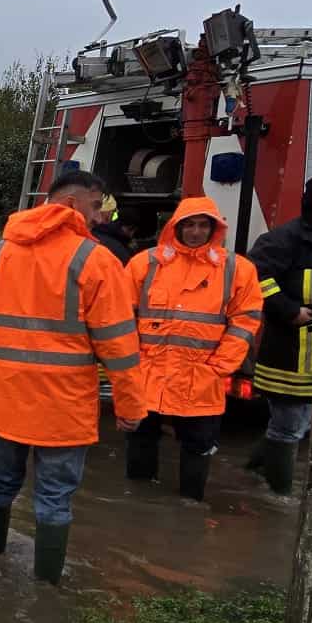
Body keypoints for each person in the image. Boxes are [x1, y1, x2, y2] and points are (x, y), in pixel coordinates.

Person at [0, 170, 147, 582]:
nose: (101, 216)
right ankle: (47, 592)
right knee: (54, 500)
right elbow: (119, 347)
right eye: (97, 205)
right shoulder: (95, 260)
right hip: (62, 409)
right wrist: (131, 406)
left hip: (4, 401)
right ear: (72, 204)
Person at [124, 196, 264, 502]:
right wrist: (130, 361)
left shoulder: (236, 269)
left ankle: (188, 506)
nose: (195, 232)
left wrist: (219, 366)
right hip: (147, 372)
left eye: (203, 225)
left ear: (214, 228)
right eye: (189, 224)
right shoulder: (145, 263)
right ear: (176, 226)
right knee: (140, 441)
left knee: (198, 446)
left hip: (201, 376)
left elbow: (246, 320)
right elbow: (123, 316)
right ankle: (137, 505)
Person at [247, 170, 312, 493]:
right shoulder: (285, 238)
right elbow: (254, 277)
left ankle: (252, 469)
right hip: (290, 352)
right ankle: (279, 498)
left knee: (297, 425)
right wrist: (290, 311)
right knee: (288, 429)